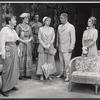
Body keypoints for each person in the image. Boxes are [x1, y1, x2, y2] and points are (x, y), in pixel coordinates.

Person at [0, 14, 27, 97]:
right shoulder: (4, 30)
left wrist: (24, 41)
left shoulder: (13, 30)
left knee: (14, 68)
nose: (15, 21)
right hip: (8, 50)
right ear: (9, 21)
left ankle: (12, 85)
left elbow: (17, 39)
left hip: (14, 50)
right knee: (7, 70)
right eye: (14, 20)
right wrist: (3, 53)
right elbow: (1, 43)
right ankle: (4, 88)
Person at [56, 13, 76, 82]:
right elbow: (58, 37)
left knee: (67, 62)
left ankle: (68, 75)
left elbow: (73, 38)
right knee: (61, 62)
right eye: (60, 18)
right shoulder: (59, 27)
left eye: (61, 18)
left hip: (67, 48)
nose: (60, 19)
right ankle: (62, 72)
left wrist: (71, 47)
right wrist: (57, 45)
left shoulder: (71, 27)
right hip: (60, 47)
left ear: (65, 18)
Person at [36, 16, 56, 81]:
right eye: (47, 20)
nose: (49, 22)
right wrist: (44, 46)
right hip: (42, 47)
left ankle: (49, 74)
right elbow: (39, 38)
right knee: (42, 61)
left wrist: (49, 44)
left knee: (49, 61)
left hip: (50, 47)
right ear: (44, 21)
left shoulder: (52, 29)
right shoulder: (41, 29)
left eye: (49, 20)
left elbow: (53, 38)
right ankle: (41, 74)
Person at [16, 13, 33, 80]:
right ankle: (20, 74)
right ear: (23, 19)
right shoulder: (19, 26)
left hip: (28, 44)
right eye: (26, 18)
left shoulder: (29, 27)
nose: (27, 19)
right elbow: (16, 36)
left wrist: (29, 40)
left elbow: (31, 35)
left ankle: (27, 74)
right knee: (21, 58)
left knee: (28, 58)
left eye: (28, 18)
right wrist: (23, 41)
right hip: (21, 44)